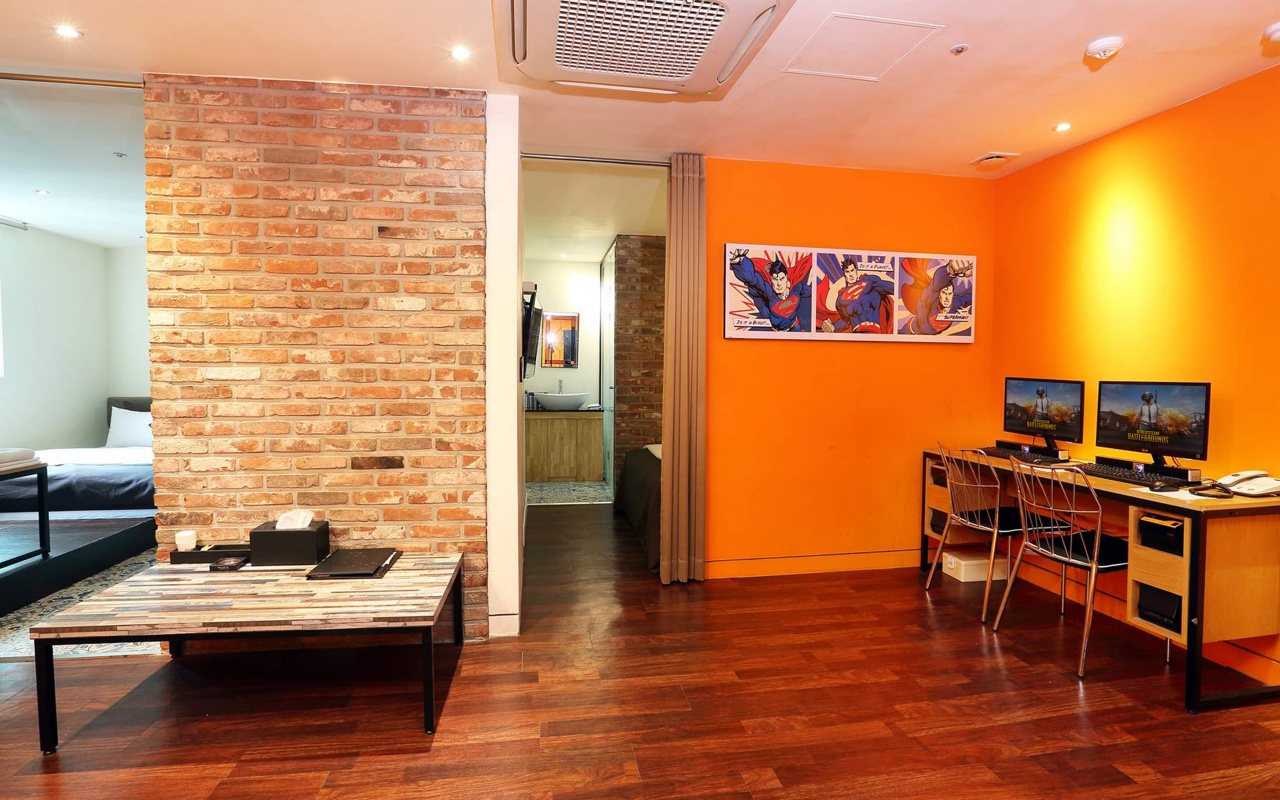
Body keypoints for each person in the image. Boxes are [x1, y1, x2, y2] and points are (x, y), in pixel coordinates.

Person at [728, 248, 812, 332]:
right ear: (771, 280)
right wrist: (741, 261)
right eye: (775, 279)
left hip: (795, 326)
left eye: (781, 279)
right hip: (777, 332)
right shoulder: (768, 292)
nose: (779, 284)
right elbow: (752, 279)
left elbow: (811, 291)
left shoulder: (796, 288)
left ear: (786, 278)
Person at [820, 254, 894, 334]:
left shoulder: (869, 282)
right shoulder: (841, 298)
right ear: (844, 274)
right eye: (847, 272)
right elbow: (845, 321)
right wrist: (832, 326)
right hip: (857, 334)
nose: (851, 274)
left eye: (852, 270)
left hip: (875, 333)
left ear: (856, 270)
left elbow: (893, 288)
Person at [899, 258, 974, 335]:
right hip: (908, 332)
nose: (947, 298)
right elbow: (935, 285)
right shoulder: (927, 304)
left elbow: (970, 298)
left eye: (949, 293)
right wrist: (949, 270)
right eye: (944, 293)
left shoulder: (955, 302)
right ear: (938, 295)